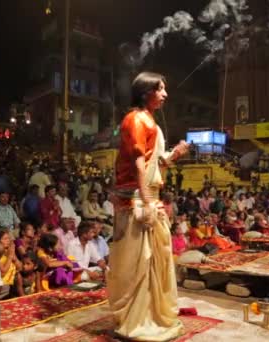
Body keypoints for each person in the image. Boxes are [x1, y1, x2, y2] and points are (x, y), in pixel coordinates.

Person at [108, 72, 188, 341]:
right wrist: (145, 203)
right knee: (137, 263)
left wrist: (175, 154)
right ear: (146, 92)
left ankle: (151, 315)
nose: (165, 94)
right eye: (160, 89)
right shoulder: (135, 119)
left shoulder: (151, 121)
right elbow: (138, 164)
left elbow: (156, 162)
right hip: (136, 199)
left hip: (148, 196)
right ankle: (136, 319)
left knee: (155, 259)